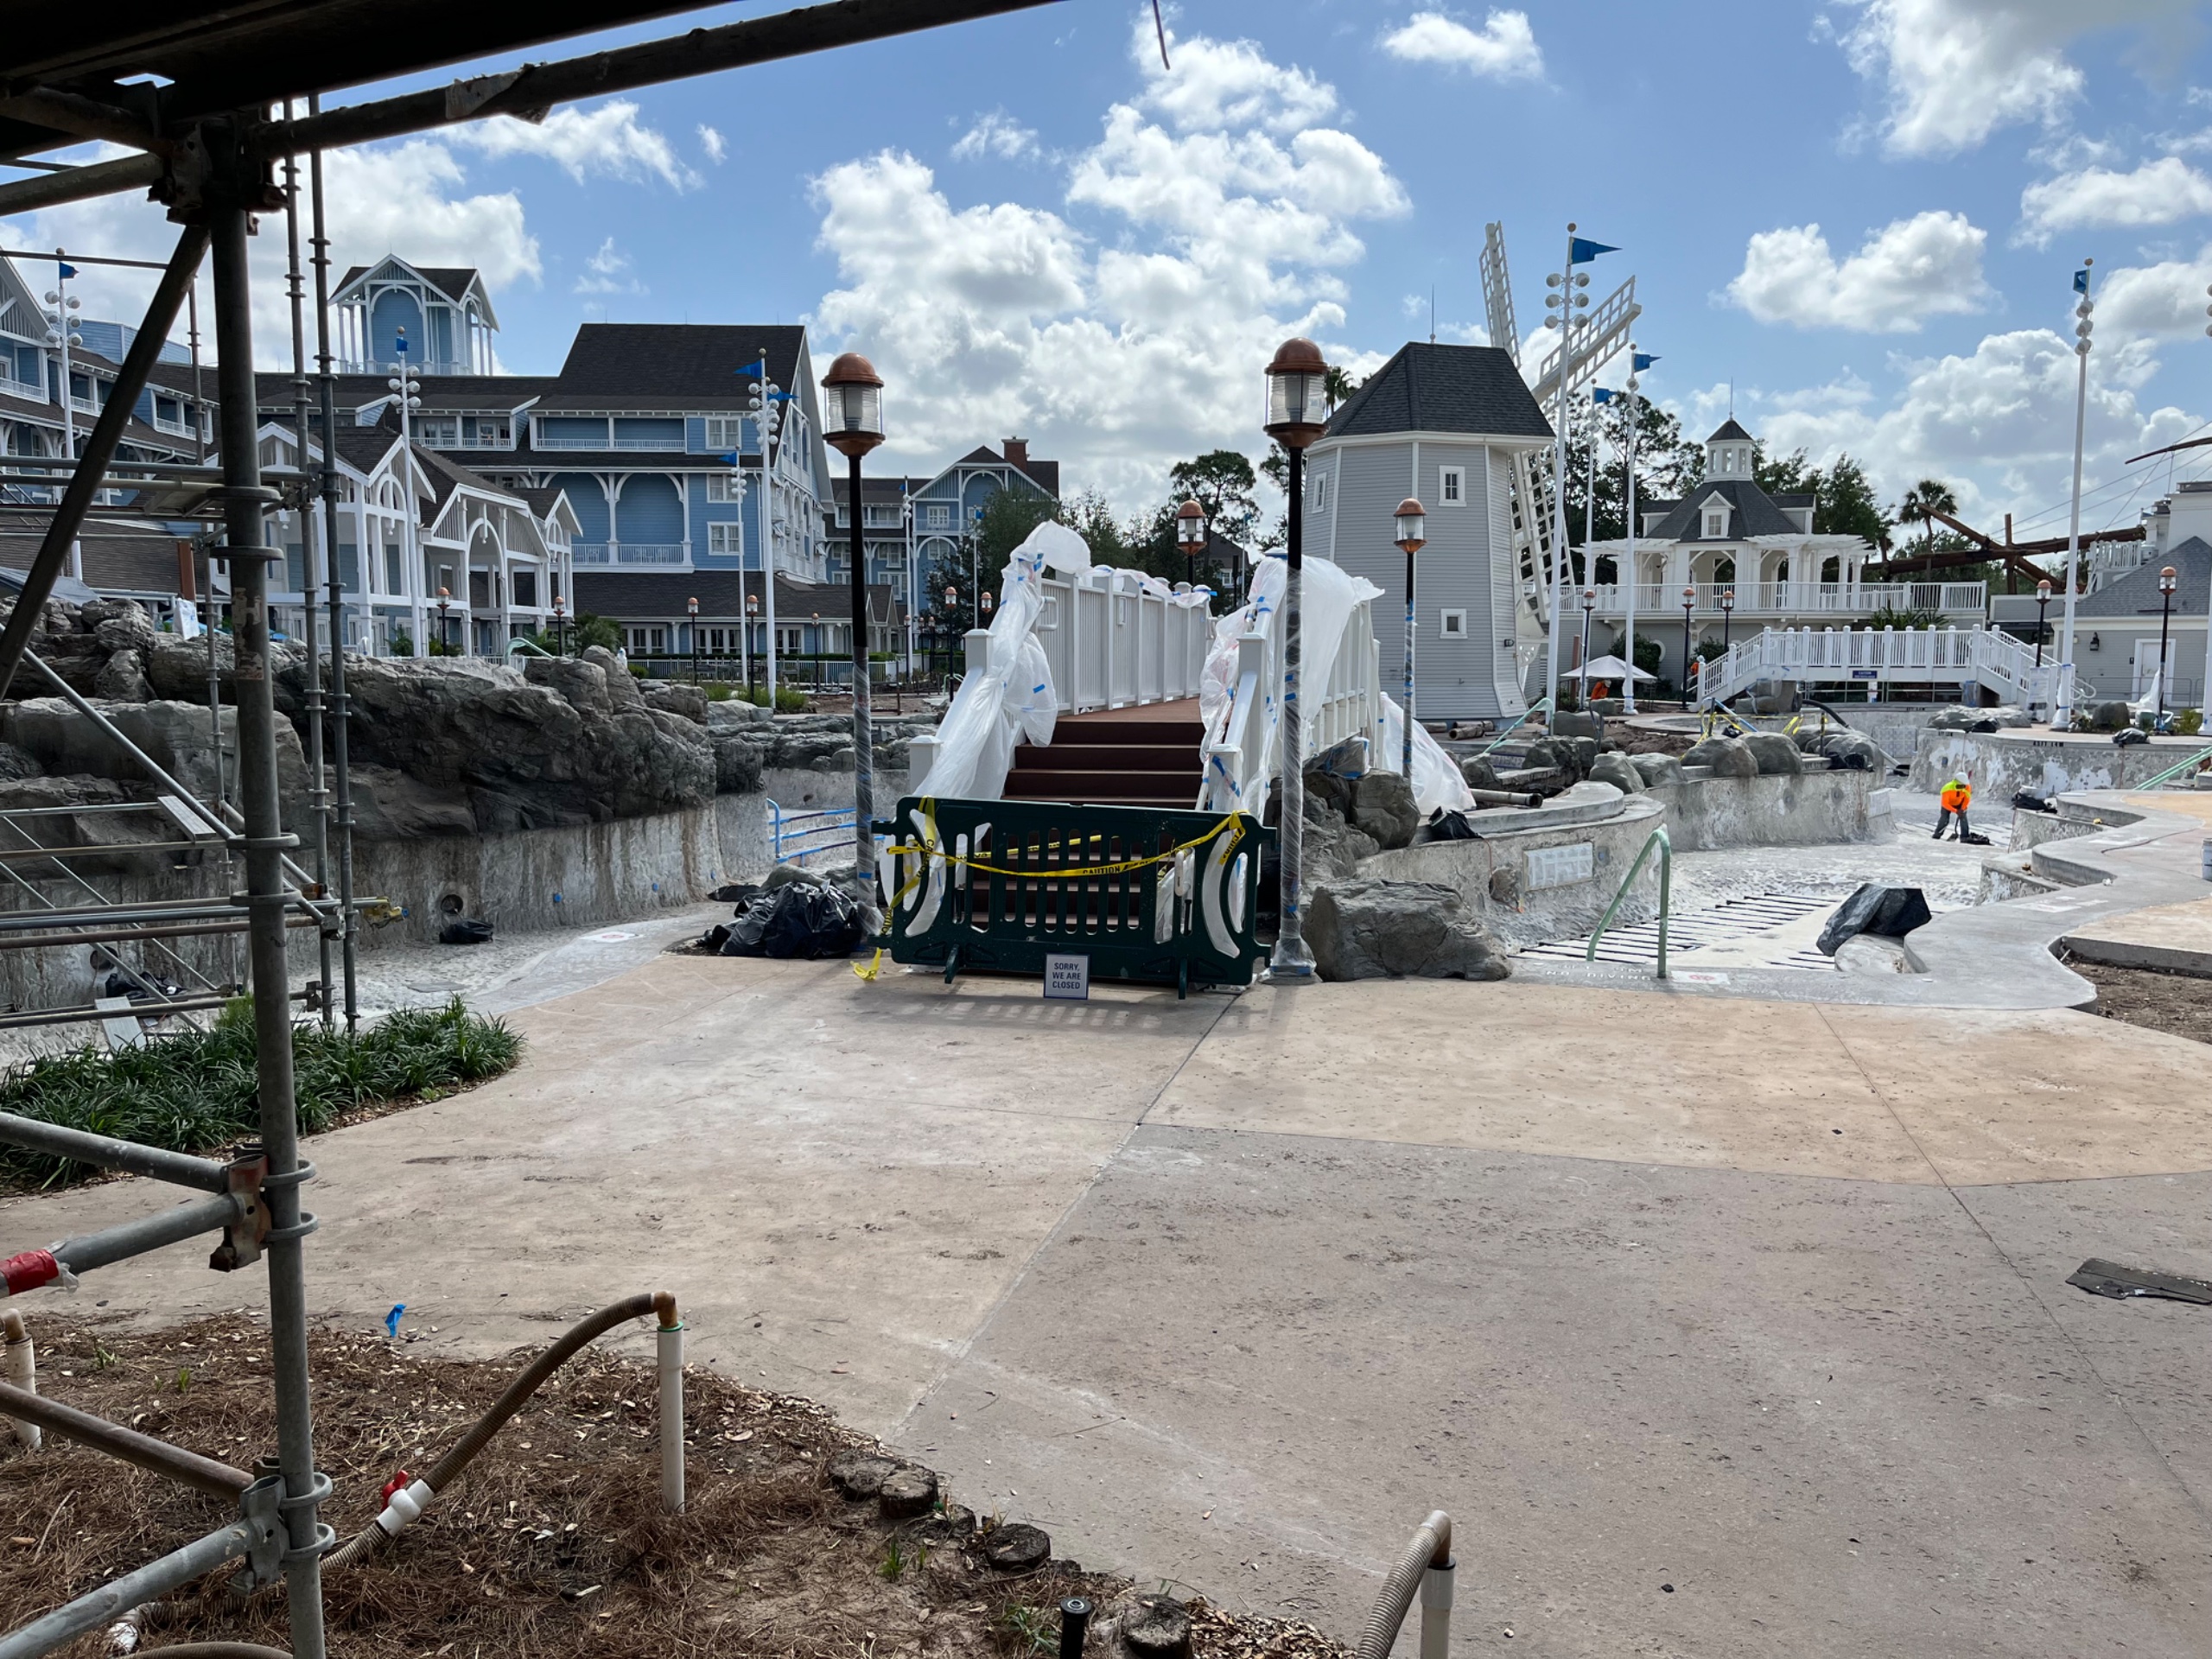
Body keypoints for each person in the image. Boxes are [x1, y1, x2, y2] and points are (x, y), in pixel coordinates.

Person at [1935, 773, 1972, 841]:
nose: (1963, 787)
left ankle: (1964, 837)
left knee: (1963, 818)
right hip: (1948, 805)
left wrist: (1962, 809)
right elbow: (1944, 803)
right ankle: (1937, 834)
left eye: (1964, 785)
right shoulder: (1947, 788)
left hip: (1960, 804)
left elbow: (1967, 799)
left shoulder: (1967, 787)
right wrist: (1956, 811)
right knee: (1944, 819)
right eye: (1961, 785)